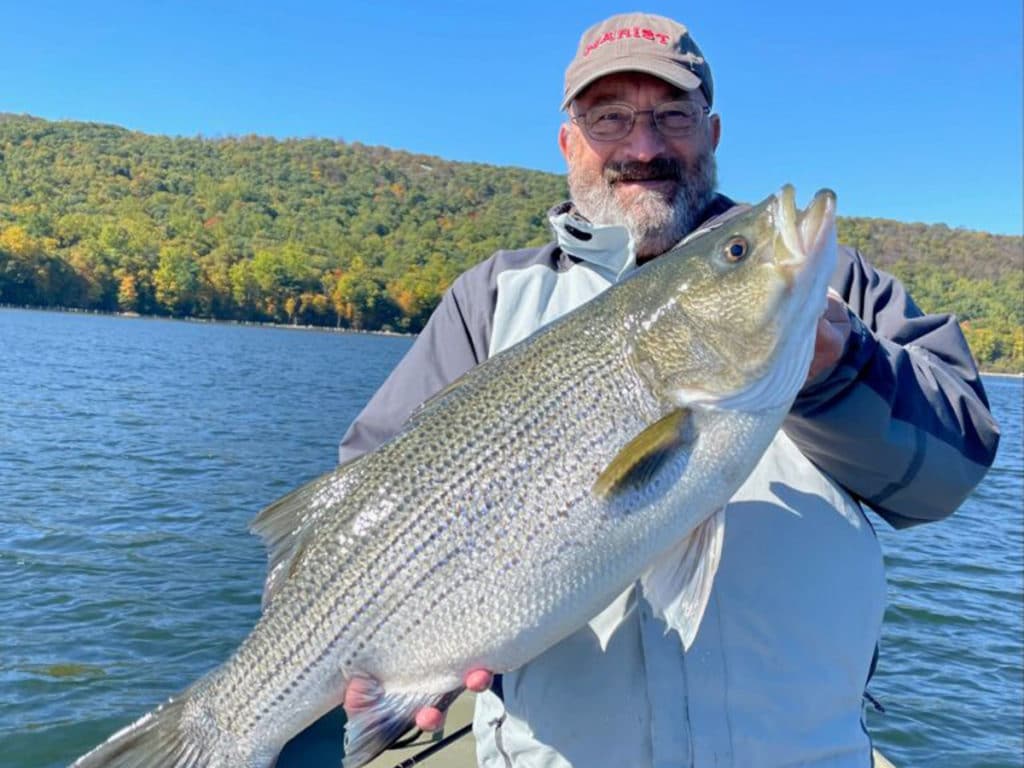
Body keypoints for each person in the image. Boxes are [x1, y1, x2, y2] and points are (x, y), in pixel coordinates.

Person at [279, 11, 1000, 767]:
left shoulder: (832, 286)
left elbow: (948, 473)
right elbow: (360, 499)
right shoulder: (490, 296)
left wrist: (837, 365)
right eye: (610, 118)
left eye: (671, 117)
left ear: (712, 134)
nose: (644, 147)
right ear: (569, 145)